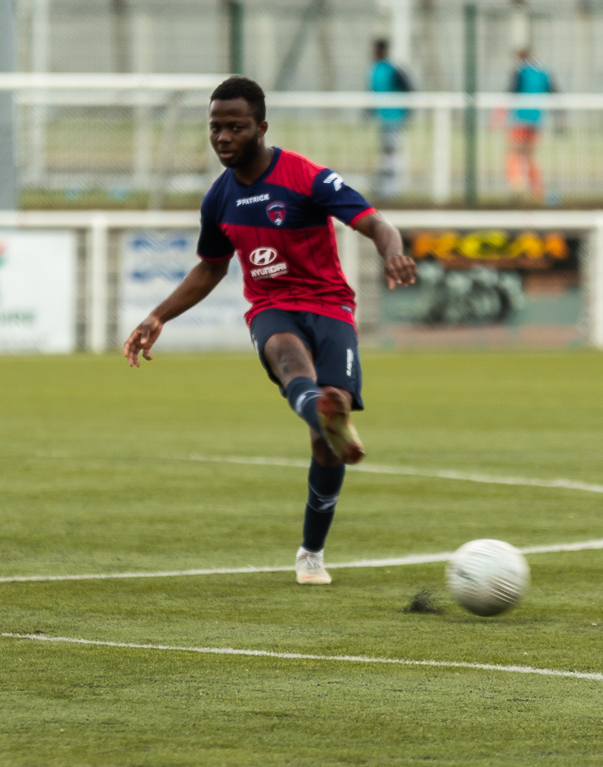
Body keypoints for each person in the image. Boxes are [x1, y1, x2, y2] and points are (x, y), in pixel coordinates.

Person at [123, 76, 418, 587]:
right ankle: (324, 413)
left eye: (234, 127)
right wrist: (158, 316)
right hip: (271, 307)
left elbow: (374, 222)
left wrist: (391, 251)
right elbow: (211, 267)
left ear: (261, 127)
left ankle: (311, 550)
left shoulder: (306, 178)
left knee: (327, 436)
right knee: (286, 357)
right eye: (215, 128)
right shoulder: (218, 199)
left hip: (329, 308)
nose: (222, 138)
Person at [505, 47, 555, 201]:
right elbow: (553, 92)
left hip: (520, 118)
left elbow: (511, 91)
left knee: (515, 153)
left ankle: (517, 185)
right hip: (536, 119)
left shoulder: (520, 72)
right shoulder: (543, 73)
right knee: (530, 156)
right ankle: (536, 188)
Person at [368, 38, 413, 200]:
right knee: (385, 153)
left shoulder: (392, 69)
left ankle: (390, 190)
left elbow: (408, 88)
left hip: (394, 118)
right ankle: (384, 188)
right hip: (383, 118)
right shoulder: (374, 69)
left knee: (391, 153)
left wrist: (406, 111)